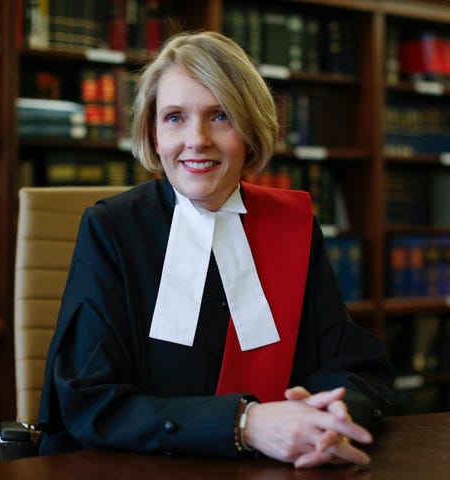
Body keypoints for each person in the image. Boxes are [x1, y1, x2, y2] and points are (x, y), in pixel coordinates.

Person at [38, 31, 394, 468]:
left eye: (220, 116)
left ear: (250, 131)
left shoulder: (294, 224)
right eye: (174, 117)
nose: (197, 139)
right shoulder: (110, 229)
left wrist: (333, 415)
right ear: (153, 133)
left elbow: (355, 367)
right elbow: (90, 403)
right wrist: (245, 423)